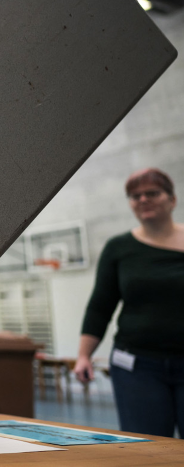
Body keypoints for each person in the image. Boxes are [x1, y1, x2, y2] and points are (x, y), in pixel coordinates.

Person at [74, 168, 184, 437]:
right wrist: (83, 356)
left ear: (172, 200)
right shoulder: (118, 248)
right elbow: (100, 306)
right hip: (137, 366)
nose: (143, 199)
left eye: (152, 193)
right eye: (135, 196)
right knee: (147, 448)